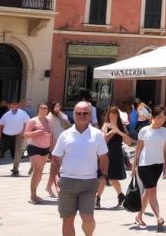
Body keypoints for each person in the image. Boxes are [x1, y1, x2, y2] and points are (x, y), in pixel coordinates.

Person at [50, 101, 109, 236]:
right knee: (67, 219)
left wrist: (103, 177)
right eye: (78, 113)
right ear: (74, 114)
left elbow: (104, 157)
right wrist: (56, 177)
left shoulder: (97, 134)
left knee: (88, 218)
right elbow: (56, 157)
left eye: (85, 113)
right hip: (67, 182)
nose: (81, 116)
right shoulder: (65, 135)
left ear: (90, 115)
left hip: (89, 183)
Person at [133, 106, 166, 230]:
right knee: (152, 191)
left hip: (158, 166)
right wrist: (134, 166)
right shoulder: (144, 130)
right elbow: (138, 149)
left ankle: (139, 216)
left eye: (164, 117)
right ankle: (159, 217)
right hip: (145, 165)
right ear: (153, 117)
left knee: (149, 192)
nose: (162, 120)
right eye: (159, 117)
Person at [94, 106, 132, 209]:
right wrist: (112, 131)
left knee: (113, 178)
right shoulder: (106, 125)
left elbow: (129, 141)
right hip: (105, 154)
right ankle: (98, 199)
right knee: (103, 176)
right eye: (111, 114)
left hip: (116, 154)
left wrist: (118, 131)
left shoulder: (121, 126)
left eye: (115, 115)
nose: (113, 116)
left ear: (118, 116)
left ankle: (121, 195)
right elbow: (103, 140)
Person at [24, 102, 54, 203]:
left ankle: (35, 193)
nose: (44, 109)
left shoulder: (48, 121)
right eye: (42, 108)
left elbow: (51, 134)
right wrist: (36, 132)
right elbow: (25, 134)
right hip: (34, 147)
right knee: (37, 170)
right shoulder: (33, 121)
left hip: (45, 148)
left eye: (45, 108)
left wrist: (51, 147)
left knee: (40, 172)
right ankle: (32, 196)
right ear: (38, 109)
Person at [47, 101, 72, 197]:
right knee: (55, 167)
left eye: (59, 106)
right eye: (56, 106)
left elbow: (68, 125)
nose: (58, 108)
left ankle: (49, 187)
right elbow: (50, 133)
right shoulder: (49, 118)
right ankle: (52, 187)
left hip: (63, 142)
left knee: (55, 168)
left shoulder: (61, 116)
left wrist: (62, 116)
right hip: (54, 144)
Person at [0, 100, 30, 176]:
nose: (12, 106)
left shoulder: (23, 113)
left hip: (18, 136)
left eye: (14, 104)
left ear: (17, 105)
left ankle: (15, 169)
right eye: (11, 104)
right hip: (6, 136)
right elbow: (0, 124)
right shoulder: (6, 114)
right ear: (9, 106)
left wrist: (23, 132)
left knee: (17, 153)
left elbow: (27, 123)